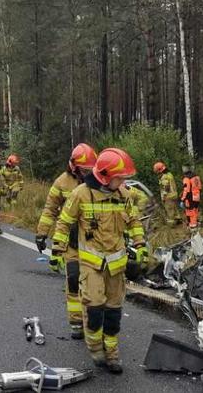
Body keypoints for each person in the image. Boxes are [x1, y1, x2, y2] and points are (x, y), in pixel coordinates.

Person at [52, 148, 148, 374]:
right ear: (105, 175)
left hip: (116, 265)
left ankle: (112, 354)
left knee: (113, 312)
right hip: (91, 265)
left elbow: (134, 221)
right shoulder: (81, 194)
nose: (123, 181)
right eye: (120, 177)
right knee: (94, 308)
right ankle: (95, 348)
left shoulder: (123, 195)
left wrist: (140, 244)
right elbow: (64, 223)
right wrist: (57, 250)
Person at [35, 143, 98, 339]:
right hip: (71, 241)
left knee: (96, 283)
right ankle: (76, 321)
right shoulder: (62, 183)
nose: (86, 172)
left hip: (94, 241)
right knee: (73, 279)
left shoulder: (98, 182)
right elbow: (50, 210)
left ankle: (97, 323)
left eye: (90, 168)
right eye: (84, 169)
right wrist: (41, 233)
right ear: (73, 166)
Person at [180, 165, 202, 229]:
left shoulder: (186, 178)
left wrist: (182, 199)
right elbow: (200, 187)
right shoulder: (196, 177)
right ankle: (195, 223)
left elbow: (186, 190)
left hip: (190, 197)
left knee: (190, 212)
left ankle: (193, 226)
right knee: (195, 210)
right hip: (197, 196)